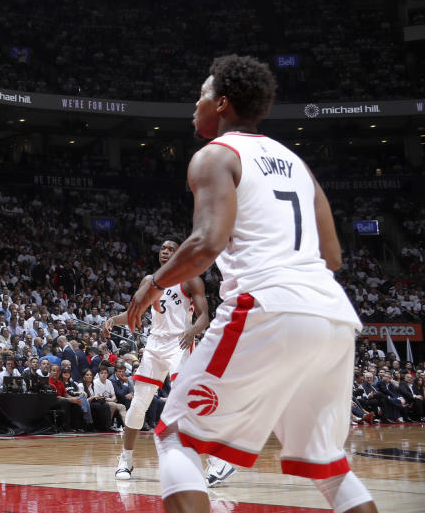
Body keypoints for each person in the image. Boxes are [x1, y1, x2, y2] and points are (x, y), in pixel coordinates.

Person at [125, 55, 378, 513]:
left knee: (174, 433)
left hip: (267, 305)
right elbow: (334, 256)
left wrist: (154, 284)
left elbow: (205, 243)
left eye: (200, 96)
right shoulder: (297, 162)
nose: (194, 106)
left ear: (221, 103)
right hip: (333, 314)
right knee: (330, 467)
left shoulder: (216, 155)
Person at [109, 240, 211, 480]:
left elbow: (204, 316)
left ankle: (212, 459)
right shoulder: (149, 281)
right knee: (138, 405)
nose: (165, 252)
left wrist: (193, 330)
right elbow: (134, 313)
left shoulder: (190, 278)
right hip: (155, 344)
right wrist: (113, 320)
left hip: (180, 343)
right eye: (162, 249)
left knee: (186, 402)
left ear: (180, 254)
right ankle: (126, 459)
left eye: (171, 249)